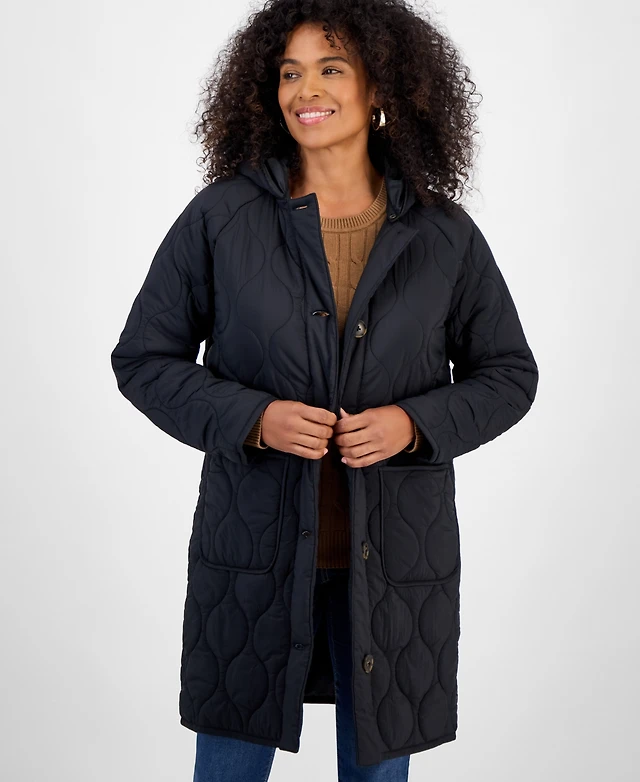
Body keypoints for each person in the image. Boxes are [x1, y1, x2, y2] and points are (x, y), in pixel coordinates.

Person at [110, 1, 539, 780]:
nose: (305, 89)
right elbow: (144, 357)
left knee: (377, 769)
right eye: (290, 73)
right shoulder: (222, 217)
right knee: (228, 765)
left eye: (331, 68)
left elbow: (509, 374)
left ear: (381, 88)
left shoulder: (442, 234)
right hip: (255, 551)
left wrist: (413, 423)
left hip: (395, 562)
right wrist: (253, 418)